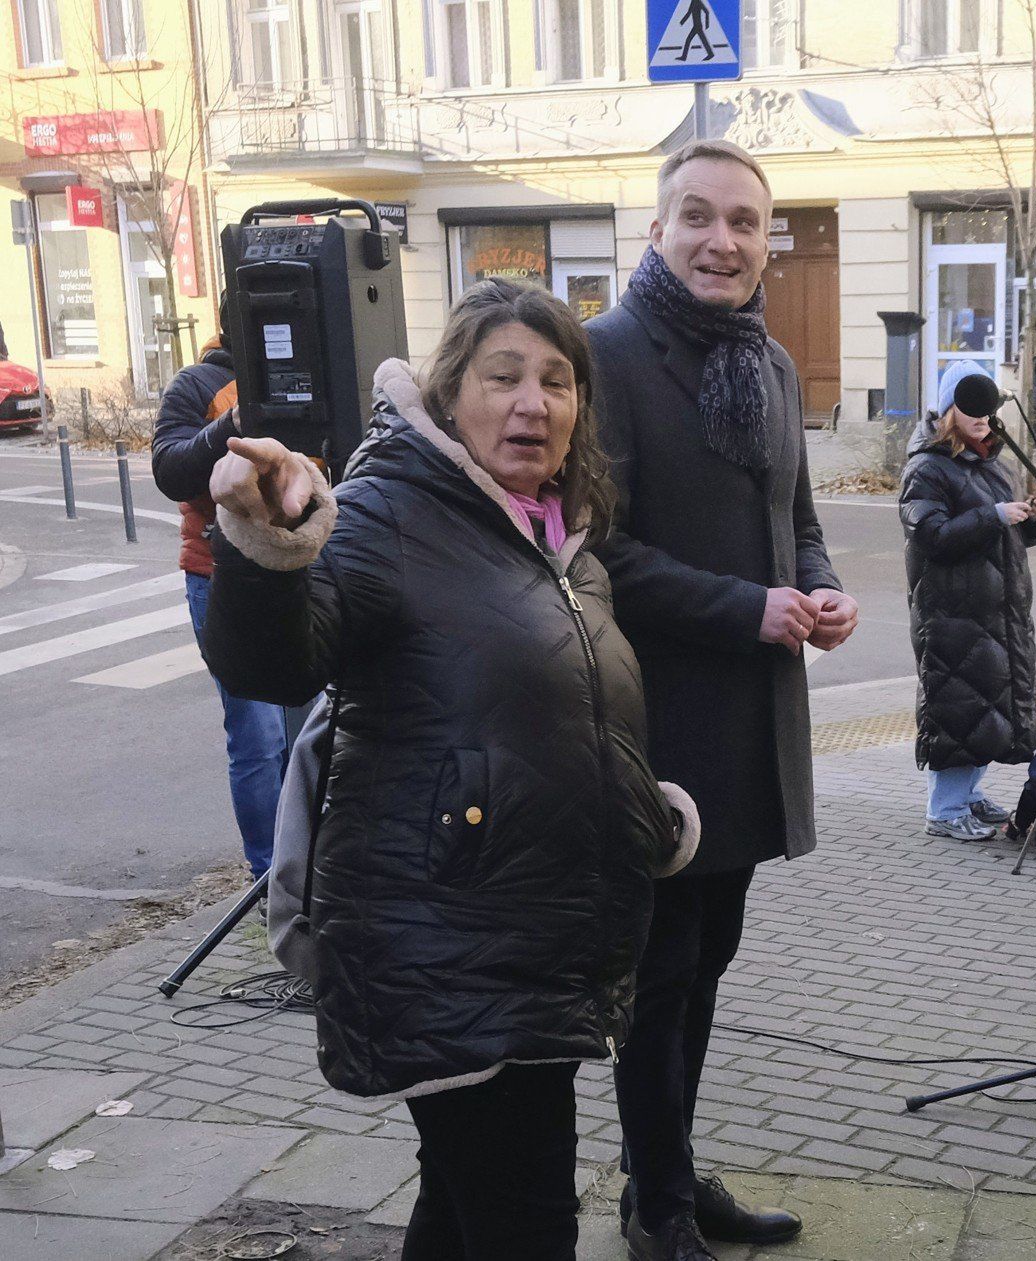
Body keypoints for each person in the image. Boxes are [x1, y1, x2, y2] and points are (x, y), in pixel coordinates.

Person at [199, 279, 685, 1259]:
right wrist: (270, 548)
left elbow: (561, 716)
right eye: (503, 376)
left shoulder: (567, 543)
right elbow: (275, 663)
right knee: (529, 1221)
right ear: (449, 392)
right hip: (443, 946)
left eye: (557, 381)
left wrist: (643, 815)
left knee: (464, 1211)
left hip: (527, 944)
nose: (532, 403)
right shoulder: (389, 513)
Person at [585, 139, 853, 1261]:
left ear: (765, 240)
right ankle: (655, 1206)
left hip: (752, 726)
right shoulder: (604, 354)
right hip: (659, 722)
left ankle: (675, 1172)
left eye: (744, 222)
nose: (722, 240)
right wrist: (747, 606)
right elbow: (597, 548)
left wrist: (823, 588)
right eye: (697, 216)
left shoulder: (773, 363)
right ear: (658, 229)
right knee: (661, 974)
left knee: (711, 961)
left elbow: (796, 520)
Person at [151, 324, 309, 880]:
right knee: (259, 738)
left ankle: (312, 862)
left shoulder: (319, 365)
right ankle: (268, 878)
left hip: (302, 566)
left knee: (309, 731)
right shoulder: (198, 384)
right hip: (219, 574)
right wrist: (235, 423)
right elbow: (171, 469)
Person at [902, 360, 1036, 841]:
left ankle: (965, 795)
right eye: (971, 407)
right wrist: (992, 516)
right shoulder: (927, 466)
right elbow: (933, 536)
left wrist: (1033, 517)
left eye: (988, 407)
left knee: (991, 710)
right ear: (949, 410)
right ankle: (944, 810)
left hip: (997, 614)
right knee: (960, 709)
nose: (983, 417)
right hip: (952, 615)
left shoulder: (990, 462)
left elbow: (1010, 539)